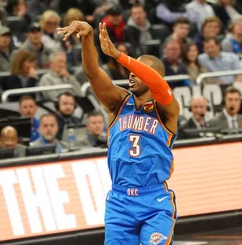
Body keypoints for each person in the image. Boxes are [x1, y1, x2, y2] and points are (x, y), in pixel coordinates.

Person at [58, 20, 180, 245]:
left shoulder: (166, 110)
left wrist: (119, 56)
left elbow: (158, 85)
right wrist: (88, 38)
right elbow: (93, 74)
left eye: (137, 71)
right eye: (130, 71)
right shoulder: (118, 103)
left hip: (154, 199)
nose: (131, 75)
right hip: (120, 201)